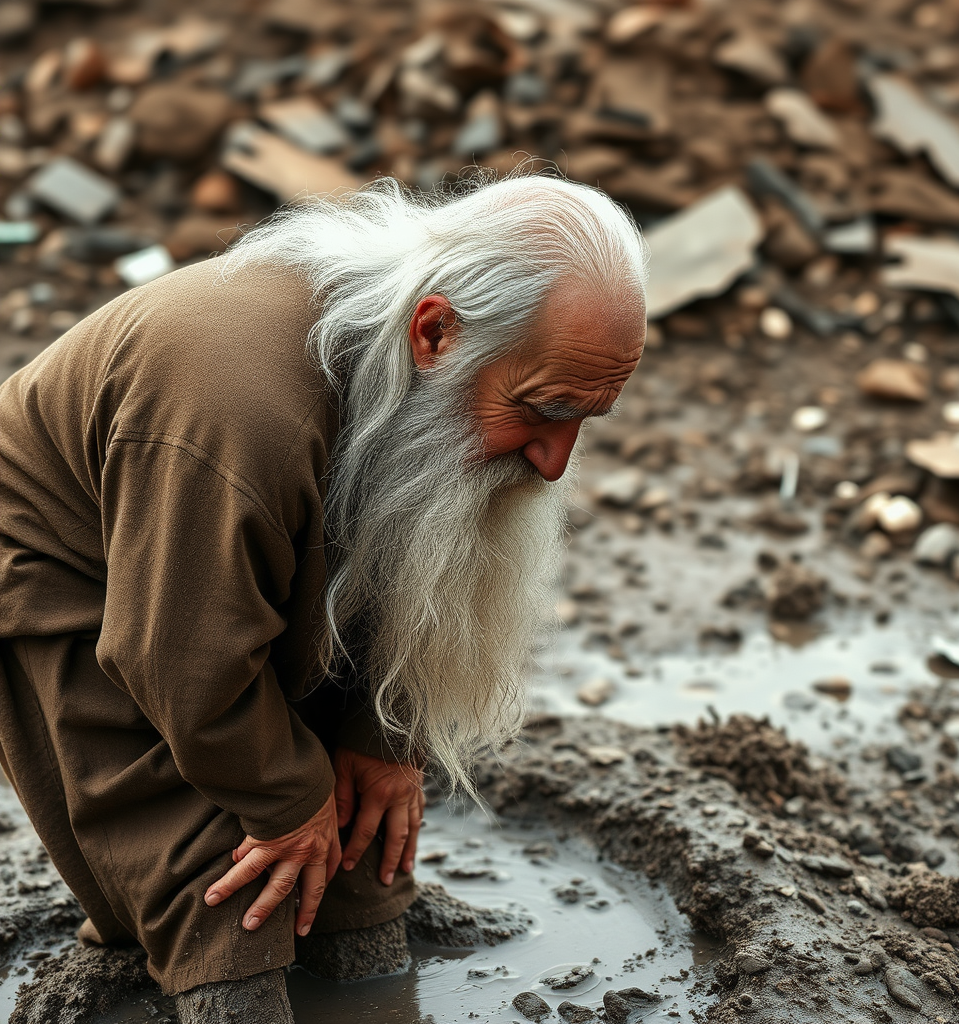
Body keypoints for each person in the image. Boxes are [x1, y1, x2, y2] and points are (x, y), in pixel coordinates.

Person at [0, 171, 648, 1022]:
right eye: (542, 412)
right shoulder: (239, 409)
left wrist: (386, 738)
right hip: (74, 565)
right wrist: (288, 801)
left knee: (361, 792)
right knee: (216, 847)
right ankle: (229, 988)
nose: (554, 462)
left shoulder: (423, 369)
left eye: (582, 422)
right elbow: (178, 658)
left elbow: (418, 581)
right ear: (435, 332)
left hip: (230, 538)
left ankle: (364, 948)